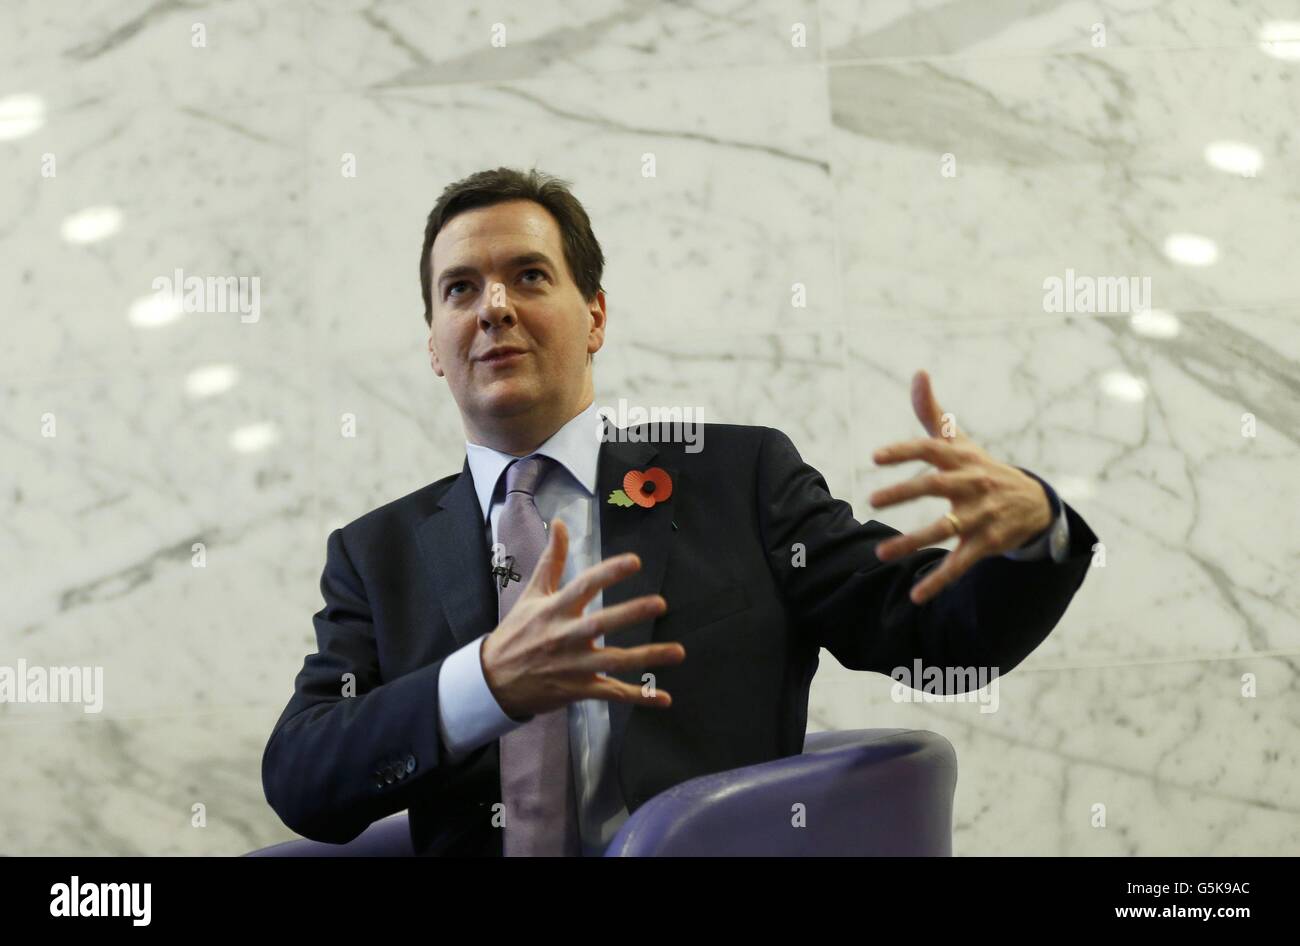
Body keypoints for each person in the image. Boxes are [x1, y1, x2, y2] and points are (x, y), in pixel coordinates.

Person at [261, 167, 1096, 856]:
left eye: (529, 275)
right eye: (460, 289)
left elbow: (934, 636)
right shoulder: (378, 555)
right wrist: (482, 684)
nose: (494, 308)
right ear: (435, 345)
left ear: (594, 316)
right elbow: (304, 777)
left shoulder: (737, 477)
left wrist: (1031, 536)